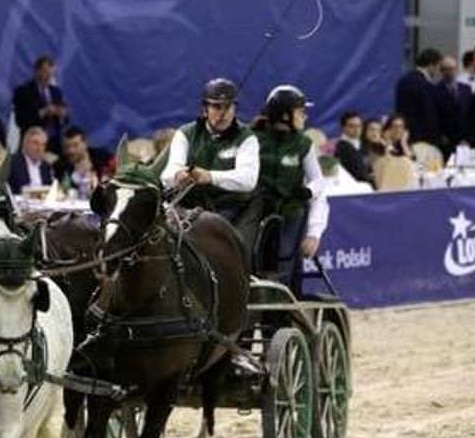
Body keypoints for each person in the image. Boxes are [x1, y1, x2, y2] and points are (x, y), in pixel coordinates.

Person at [243, 84, 328, 296]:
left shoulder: (303, 144)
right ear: (284, 115)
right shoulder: (253, 139)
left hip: (290, 216)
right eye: (301, 112)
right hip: (258, 212)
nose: (305, 117)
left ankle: (282, 314)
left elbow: (318, 182)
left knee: (285, 264)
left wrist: (314, 233)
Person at [160, 77, 259, 227]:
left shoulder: (247, 137)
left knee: (212, 231)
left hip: (228, 207)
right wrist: (178, 176)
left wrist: (210, 177)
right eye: (217, 107)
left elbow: (248, 179)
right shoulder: (185, 133)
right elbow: (167, 174)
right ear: (205, 110)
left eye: (229, 107)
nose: (223, 114)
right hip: (188, 206)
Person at [13, 54, 69, 153]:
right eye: (46, 73)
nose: (49, 77)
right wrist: (43, 112)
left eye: (52, 74)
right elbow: (20, 120)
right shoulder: (23, 91)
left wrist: (62, 114)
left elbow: (65, 119)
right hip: (33, 142)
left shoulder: (56, 91)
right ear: (37, 71)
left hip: (54, 143)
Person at [394, 48, 443, 147]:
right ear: (431, 65)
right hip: (422, 139)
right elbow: (429, 116)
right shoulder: (425, 85)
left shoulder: (403, 81)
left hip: (404, 136)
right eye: (438, 67)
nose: (438, 72)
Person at [435, 55, 473, 158]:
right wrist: (440, 135)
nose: (449, 72)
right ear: (441, 71)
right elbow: (433, 117)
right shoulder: (434, 90)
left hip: (464, 140)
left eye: (452, 69)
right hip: (445, 141)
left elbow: (471, 114)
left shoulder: (466, 89)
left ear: (457, 69)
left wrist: (468, 137)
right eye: (446, 69)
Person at [332, 111, 374, 187]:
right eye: (351, 126)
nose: (356, 129)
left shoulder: (365, 145)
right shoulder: (341, 147)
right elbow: (357, 173)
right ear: (343, 128)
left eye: (359, 126)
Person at [8, 126, 55, 193]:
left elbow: (50, 189)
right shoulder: (12, 163)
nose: (40, 148)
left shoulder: (45, 166)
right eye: (35, 143)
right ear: (25, 143)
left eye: (43, 145)